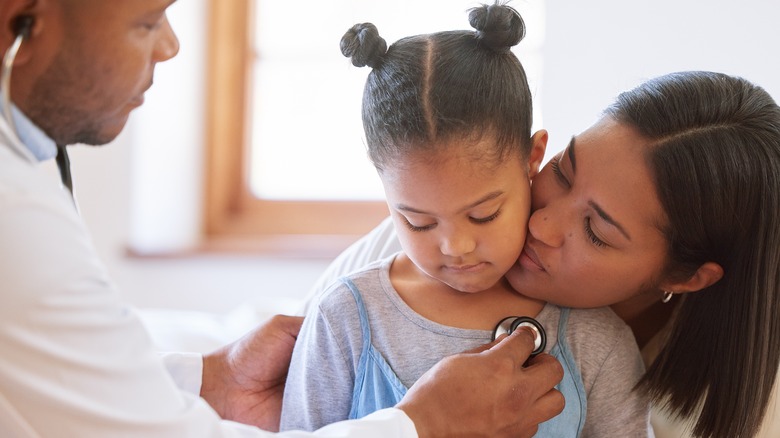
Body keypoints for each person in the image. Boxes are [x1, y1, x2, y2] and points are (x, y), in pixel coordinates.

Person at [0, 0, 566, 437]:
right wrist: (421, 424)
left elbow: (63, 379)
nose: (171, 45)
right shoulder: (15, 214)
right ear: (21, 17)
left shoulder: (589, 331)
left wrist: (210, 380)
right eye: (145, 22)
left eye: (485, 212)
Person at [306, 70, 780, 438]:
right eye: (563, 173)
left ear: (686, 277)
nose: (539, 224)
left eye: (595, 232)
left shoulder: (746, 410)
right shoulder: (444, 235)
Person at [282, 3, 650, 436]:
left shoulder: (594, 342)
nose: (456, 246)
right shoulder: (344, 319)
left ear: (533, 158)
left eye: (484, 214)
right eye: (418, 222)